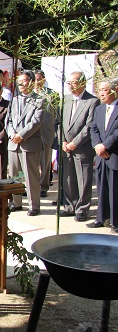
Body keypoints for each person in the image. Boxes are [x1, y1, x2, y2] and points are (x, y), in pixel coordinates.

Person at [58, 72, 99, 222]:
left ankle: (82, 209)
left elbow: (89, 126)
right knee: (68, 179)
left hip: (82, 147)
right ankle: (69, 206)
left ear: (82, 83)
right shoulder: (66, 99)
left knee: (83, 179)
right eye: (68, 82)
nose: (70, 85)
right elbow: (60, 122)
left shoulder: (92, 101)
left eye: (74, 82)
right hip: (66, 146)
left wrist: (75, 143)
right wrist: (63, 141)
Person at [6, 70, 45, 216]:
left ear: (32, 82)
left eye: (25, 81)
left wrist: (21, 135)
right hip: (13, 143)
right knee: (15, 176)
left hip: (29, 143)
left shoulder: (40, 100)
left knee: (30, 176)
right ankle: (16, 202)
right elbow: (8, 120)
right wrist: (12, 134)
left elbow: (36, 122)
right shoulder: (14, 100)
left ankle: (34, 205)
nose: (22, 84)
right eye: (20, 81)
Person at [88, 78, 118, 232]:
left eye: (105, 90)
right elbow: (93, 129)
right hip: (100, 155)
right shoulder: (99, 109)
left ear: (115, 90)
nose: (101, 93)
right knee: (101, 188)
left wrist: (105, 145)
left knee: (114, 189)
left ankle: (115, 221)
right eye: (99, 90)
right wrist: (97, 146)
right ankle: (101, 218)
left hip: (114, 154)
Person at [34, 69, 57, 198]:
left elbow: (56, 114)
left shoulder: (51, 95)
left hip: (45, 132)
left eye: (39, 79)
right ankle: (31, 185)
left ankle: (43, 186)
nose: (37, 82)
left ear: (44, 80)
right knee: (31, 162)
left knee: (45, 161)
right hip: (31, 134)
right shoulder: (30, 94)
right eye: (35, 79)